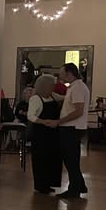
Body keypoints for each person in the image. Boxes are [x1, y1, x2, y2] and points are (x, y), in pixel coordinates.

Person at [38, 63, 90, 199]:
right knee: (71, 159)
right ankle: (79, 185)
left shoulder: (77, 88)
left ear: (69, 73)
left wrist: (58, 122)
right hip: (72, 127)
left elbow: (78, 111)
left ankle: (74, 190)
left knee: (70, 159)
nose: (59, 76)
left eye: (61, 73)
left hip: (72, 128)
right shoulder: (76, 87)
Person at [27, 74, 63, 194]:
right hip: (40, 133)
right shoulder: (36, 99)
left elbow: (63, 98)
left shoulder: (52, 96)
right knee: (41, 158)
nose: (53, 88)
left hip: (52, 133)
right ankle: (41, 185)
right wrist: (44, 121)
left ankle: (49, 183)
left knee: (52, 158)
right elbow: (30, 116)